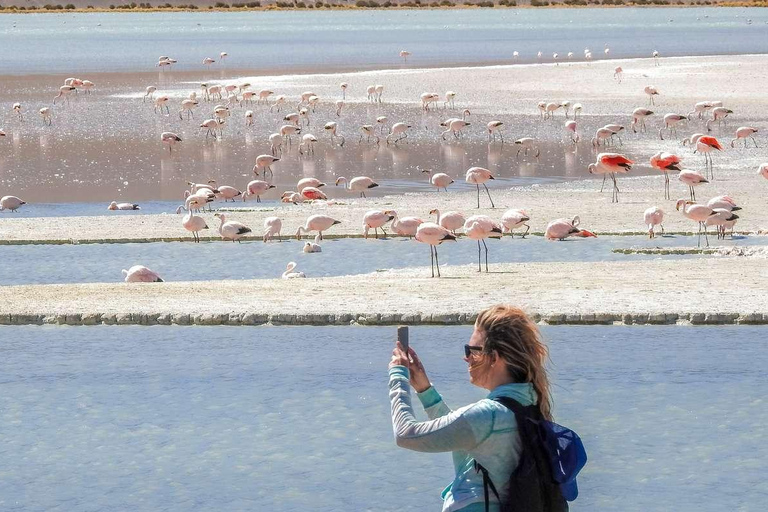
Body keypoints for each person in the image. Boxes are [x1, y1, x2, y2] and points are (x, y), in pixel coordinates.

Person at [388, 305, 553, 512]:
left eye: (471, 350)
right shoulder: (528, 404)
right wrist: (425, 390)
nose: (465, 357)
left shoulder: (488, 415)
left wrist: (397, 376)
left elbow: (405, 434)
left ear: (494, 358)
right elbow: (463, 435)